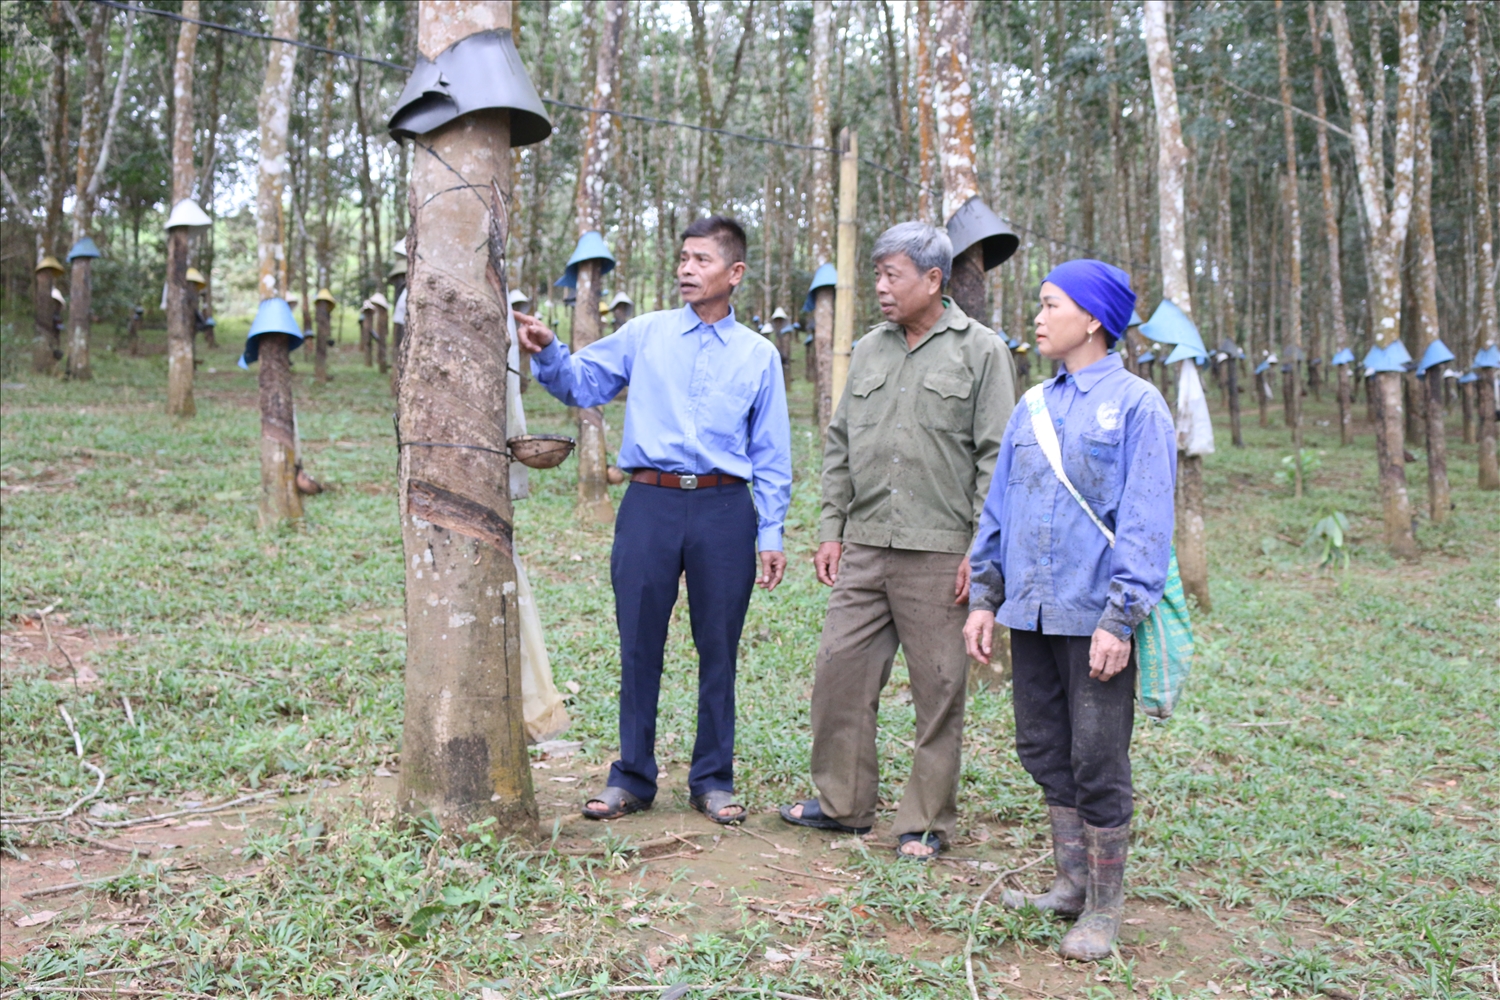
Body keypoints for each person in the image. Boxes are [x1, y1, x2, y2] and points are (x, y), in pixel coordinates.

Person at [515, 216, 792, 826]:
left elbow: (771, 453)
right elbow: (581, 383)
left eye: (701, 260)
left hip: (725, 510)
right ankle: (632, 777)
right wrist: (549, 349)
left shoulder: (758, 356)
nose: (686, 269)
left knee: (718, 646)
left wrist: (769, 532)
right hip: (649, 503)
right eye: (683, 258)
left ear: (734, 273)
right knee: (639, 643)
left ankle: (713, 779)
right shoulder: (645, 334)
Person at [779, 222, 1016, 859]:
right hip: (864, 545)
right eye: (878, 275)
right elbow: (839, 447)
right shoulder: (869, 350)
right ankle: (843, 803)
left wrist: (981, 551)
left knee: (939, 689)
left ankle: (925, 821)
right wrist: (831, 529)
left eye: (893, 276)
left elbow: (999, 459)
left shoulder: (982, 351)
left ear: (933, 280)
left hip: (941, 553)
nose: (880, 287)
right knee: (839, 675)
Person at [963, 260, 1175, 961]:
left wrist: (1121, 617)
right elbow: (1000, 509)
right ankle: (1069, 884)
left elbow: (1146, 519)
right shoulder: (1031, 407)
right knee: (1043, 747)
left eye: (1051, 304)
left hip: (1094, 617)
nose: (1039, 315)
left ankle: (1106, 910)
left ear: (1092, 319)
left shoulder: (1138, 404)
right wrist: (986, 598)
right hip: (1032, 612)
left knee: (1097, 757)